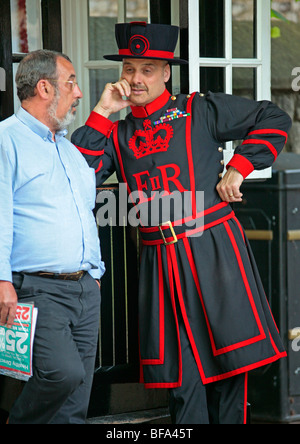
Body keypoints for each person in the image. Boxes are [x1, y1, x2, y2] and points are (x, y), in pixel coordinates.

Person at [72, 22, 292, 424]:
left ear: (166, 73)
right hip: (159, 262)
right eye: (129, 69)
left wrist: (239, 168)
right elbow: (76, 173)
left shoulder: (199, 109)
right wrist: (102, 112)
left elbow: (274, 117)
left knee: (232, 365)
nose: (136, 79)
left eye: (147, 70)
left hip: (214, 250)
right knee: (180, 376)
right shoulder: (118, 134)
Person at [0, 49, 105, 424]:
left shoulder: (70, 150)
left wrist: (95, 274)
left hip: (84, 288)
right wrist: (2, 282)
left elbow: (82, 216)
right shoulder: (5, 141)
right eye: (71, 82)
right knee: (62, 374)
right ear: (45, 88)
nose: (78, 92)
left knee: (78, 397)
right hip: (37, 288)